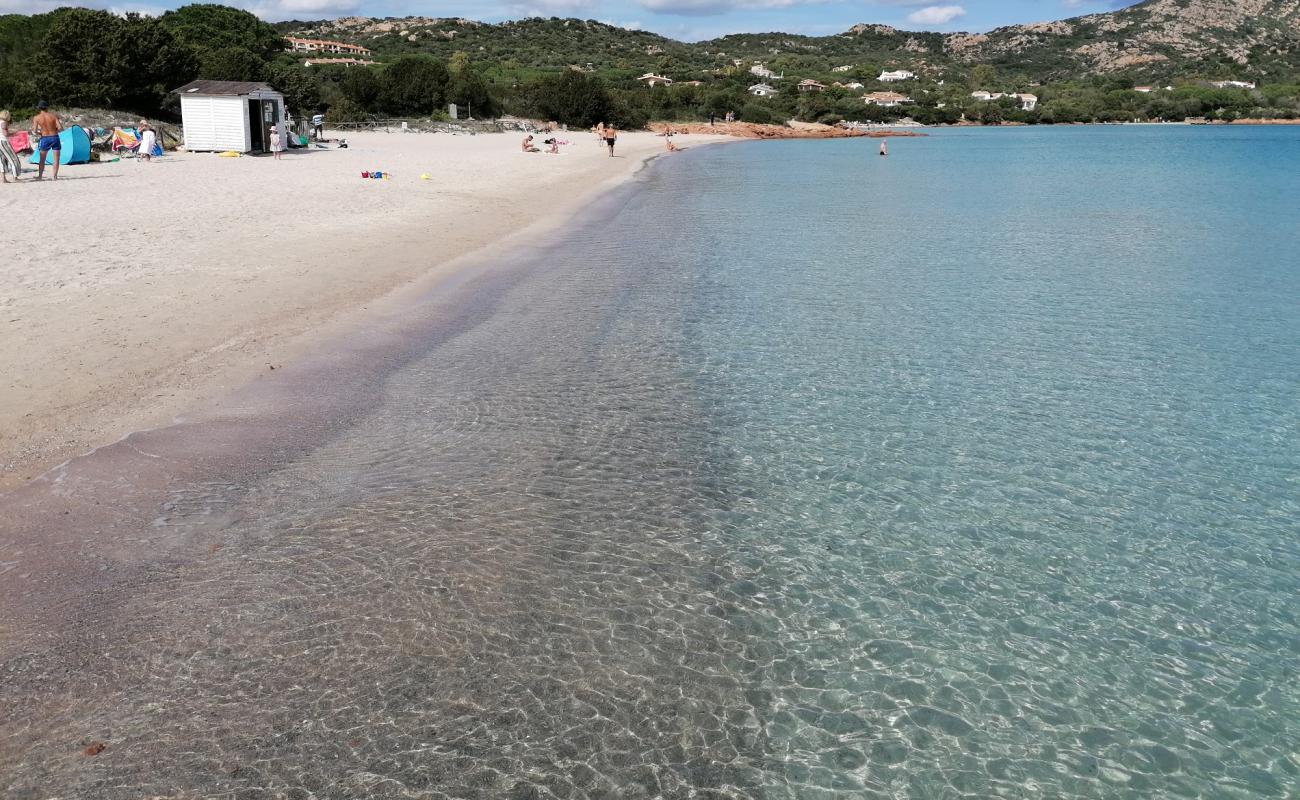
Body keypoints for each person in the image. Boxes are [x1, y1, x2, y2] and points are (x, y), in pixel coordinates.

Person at [32, 101, 61, 180]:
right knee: (56, 158)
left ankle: (40, 176)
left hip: (45, 138)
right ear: (47, 107)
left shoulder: (36, 117)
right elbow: (60, 128)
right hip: (55, 137)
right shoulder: (53, 116)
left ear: (39, 108)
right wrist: (54, 131)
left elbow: (34, 131)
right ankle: (55, 176)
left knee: (42, 159)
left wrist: (40, 133)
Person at [0, 110, 21, 183]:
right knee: (13, 159)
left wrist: (12, 131)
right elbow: (5, 134)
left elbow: (4, 131)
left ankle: (3, 178)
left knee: (2, 160)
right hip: (3, 142)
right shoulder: (4, 123)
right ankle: (15, 177)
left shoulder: (0, 122)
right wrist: (14, 133)